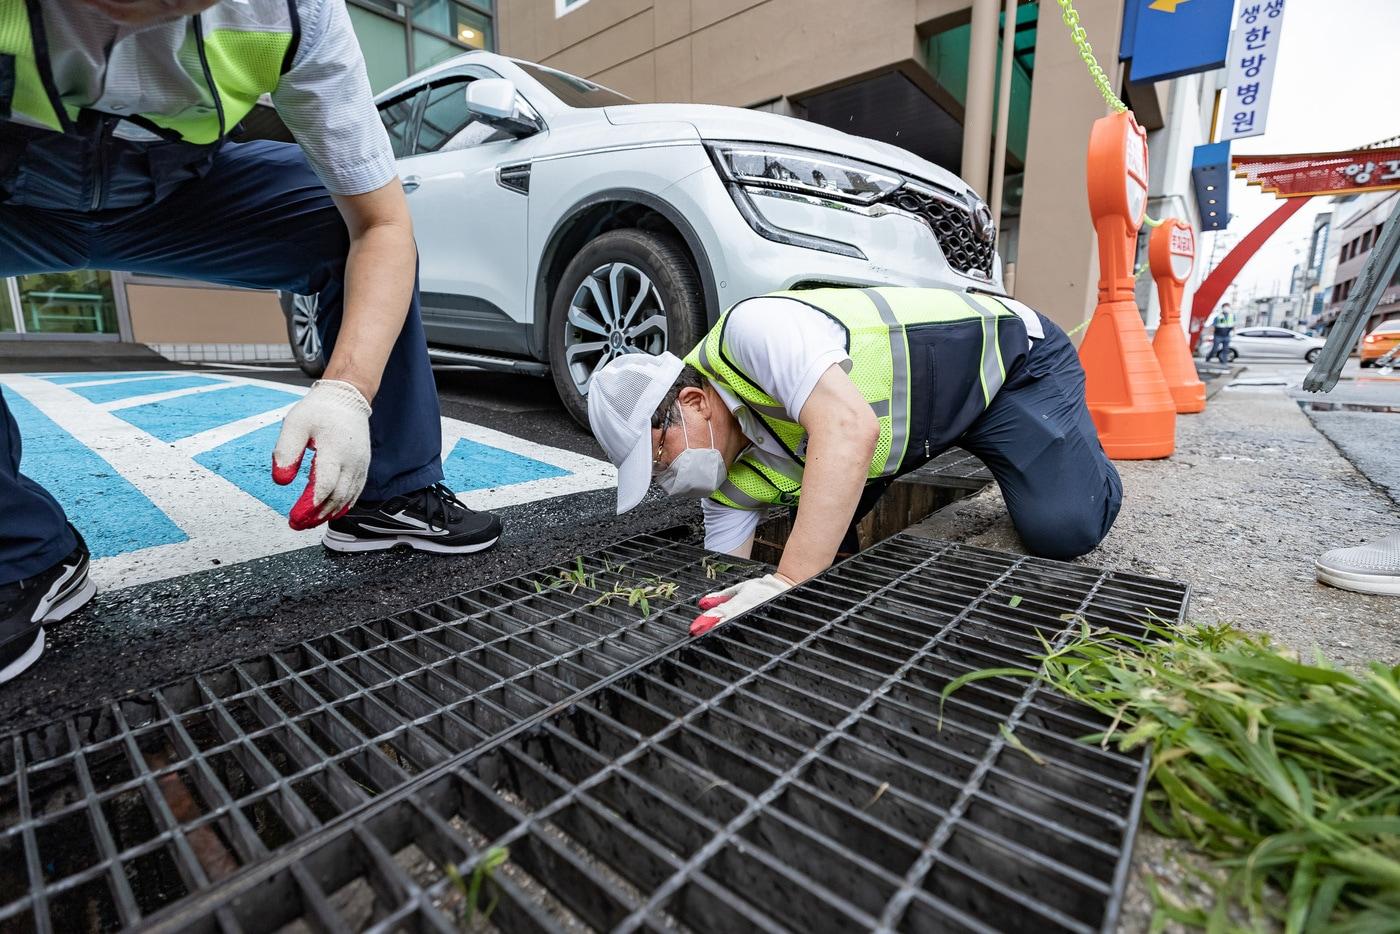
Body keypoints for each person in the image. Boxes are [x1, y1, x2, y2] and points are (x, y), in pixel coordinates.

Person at [0, 0, 503, 685]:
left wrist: (348, 391)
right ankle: (21, 550)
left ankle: (391, 494)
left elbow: (381, 226)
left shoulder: (293, 11)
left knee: (345, 222)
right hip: (17, 193)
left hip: (175, 192)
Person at [588, 286, 1123, 634]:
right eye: (654, 474)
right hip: (920, 428)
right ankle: (1029, 455)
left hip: (1009, 368)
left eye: (661, 454)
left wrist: (788, 581)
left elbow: (850, 429)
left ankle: (1088, 456)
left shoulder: (753, 332)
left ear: (693, 402)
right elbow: (730, 572)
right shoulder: (725, 485)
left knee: (1066, 528)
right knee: (827, 535)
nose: (666, 476)